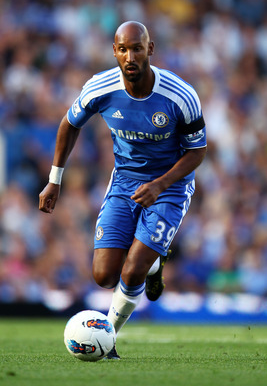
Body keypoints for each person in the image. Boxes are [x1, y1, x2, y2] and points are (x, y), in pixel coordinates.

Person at [39, 21, 207, 359]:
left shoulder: (180, 95)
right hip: (125, 181)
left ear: (151, 49)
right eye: (122, 49)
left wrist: (160, 185)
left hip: (170, 185)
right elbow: (69, 124)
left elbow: (197, 150)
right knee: (103, 275)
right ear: (114, 51)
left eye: (137, 48)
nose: (130, 56)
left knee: (132, 271)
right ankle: (155, 265)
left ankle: (107, 338)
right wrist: (54, 180)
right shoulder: (100, 87)